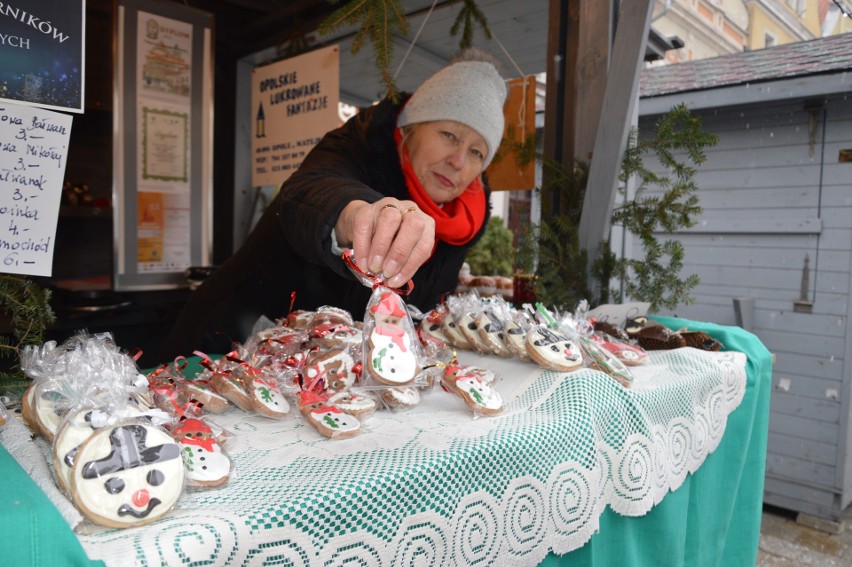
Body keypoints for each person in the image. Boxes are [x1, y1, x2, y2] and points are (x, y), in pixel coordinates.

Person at [158, 49, 507, 361]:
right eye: (449, 135)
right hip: (228, 343)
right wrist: (358, 215)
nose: (459, 161)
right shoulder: (358, 143)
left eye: (477, 152)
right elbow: (311, 190)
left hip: (335, 374)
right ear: (411, 128)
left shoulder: (464, 217)